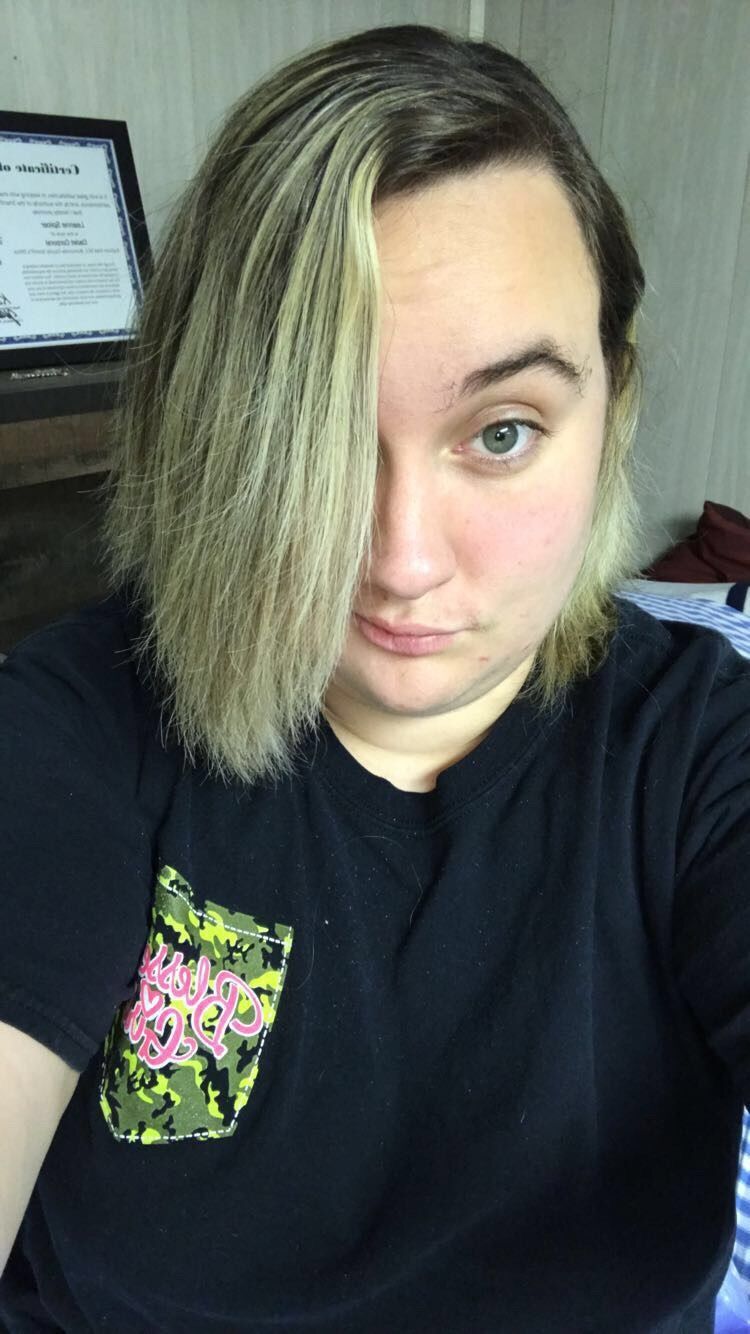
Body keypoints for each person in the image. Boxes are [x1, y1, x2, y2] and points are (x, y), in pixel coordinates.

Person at [0, 21, 748, 1334]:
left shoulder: (697, 752)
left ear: (611, 407)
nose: (401, 560)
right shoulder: (73, 730)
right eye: (317, 434)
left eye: (501, 432)